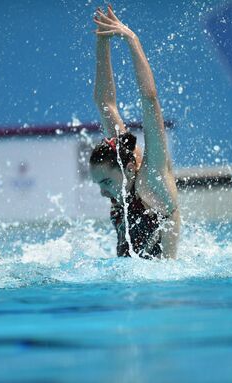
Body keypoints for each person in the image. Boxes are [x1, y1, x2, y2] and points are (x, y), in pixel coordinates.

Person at [90, 5, 180, 258]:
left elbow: (150, 99)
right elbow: (104, 103)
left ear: (128, 168)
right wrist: (102, 42)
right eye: (99, 184)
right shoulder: (123, 170)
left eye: (106, 181)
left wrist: (131, 39)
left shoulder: (153, 178)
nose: (102, 191)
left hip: (163, 292)